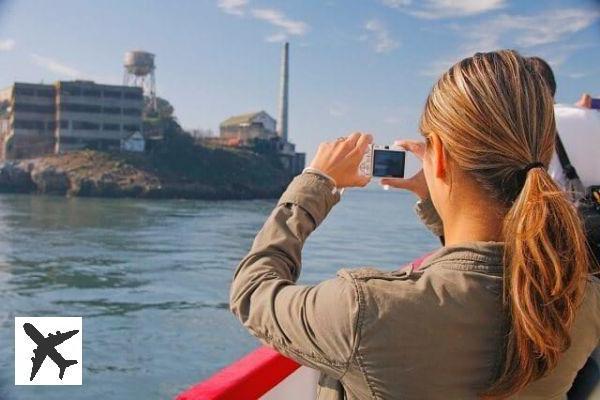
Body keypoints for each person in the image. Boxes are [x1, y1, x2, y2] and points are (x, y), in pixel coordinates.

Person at [229, 50, 600, 399]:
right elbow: (483, 272)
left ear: (436, 155)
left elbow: (251, 292)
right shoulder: (580, 298)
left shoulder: (364, 311)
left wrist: (315, 182)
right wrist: (438, 198)